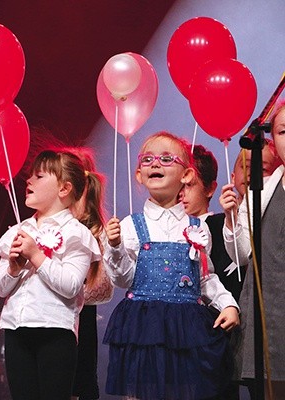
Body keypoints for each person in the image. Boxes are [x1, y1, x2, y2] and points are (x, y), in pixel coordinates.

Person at [103, 131, 240, 400]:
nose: (156, 164)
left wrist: (228, 304)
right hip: (144, 327)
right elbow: (123, 279)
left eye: (166, 158)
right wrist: (116, 247)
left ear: (186, 174)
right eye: (148, 159)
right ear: (139, 175)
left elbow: (204, 277)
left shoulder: (197, 227)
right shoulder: (130, 225)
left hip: (186, 329)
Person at [0, 149, 102, 400]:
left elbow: (72, 285)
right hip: (17, 330)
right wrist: (13, 268)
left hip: (55, 331)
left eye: (39, 176)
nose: (29, 181)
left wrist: (37, 256)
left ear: (64, 188)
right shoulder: (19, 230)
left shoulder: (77, 233)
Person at [220, 103, 285, 397]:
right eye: (283, 131)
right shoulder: (264, 189)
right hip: (269, 318)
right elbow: (241, 253)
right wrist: (233, 218)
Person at [181, 144, 241, 400]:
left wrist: (230, 217)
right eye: (179, 185)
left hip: (217, 334)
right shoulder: (168, 230)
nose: (181, 194)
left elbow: (211, 276)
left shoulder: (220, 224)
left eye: (190, 185)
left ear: (210, 188)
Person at [62, 146, 107, 400]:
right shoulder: (44, 226)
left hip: (80, 318)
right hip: (51, 319)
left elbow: (99, 287)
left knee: (80, 379)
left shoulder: (93, 231)